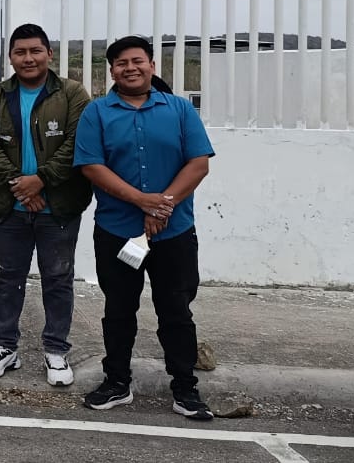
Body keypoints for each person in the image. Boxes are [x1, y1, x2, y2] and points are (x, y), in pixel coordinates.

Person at [75, 35, 216, 420]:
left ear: (152, 65)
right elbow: (92, 166)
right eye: (121, 63)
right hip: (117, 232)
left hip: (174, 233)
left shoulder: (180, 109)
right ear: (112, 71)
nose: (130, 68)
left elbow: (198, 164)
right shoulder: (97, 113)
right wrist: (142, 201)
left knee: (176, 310)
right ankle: (117, 382)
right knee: (119, 309)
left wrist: (162, 204)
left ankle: (185, 388)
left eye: (137, 61)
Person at [0, 23, 91, 385]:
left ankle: (56, 350)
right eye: (20, 52)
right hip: (11, 207)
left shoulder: (72, 93)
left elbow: (77, 142)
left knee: (57, 279)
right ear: (10, 57)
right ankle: (4, 346)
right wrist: (21, 186)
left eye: (35, 51)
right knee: (9, 278)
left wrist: (40, 180)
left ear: (49, 54)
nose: (28, 58)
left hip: (59, 209)